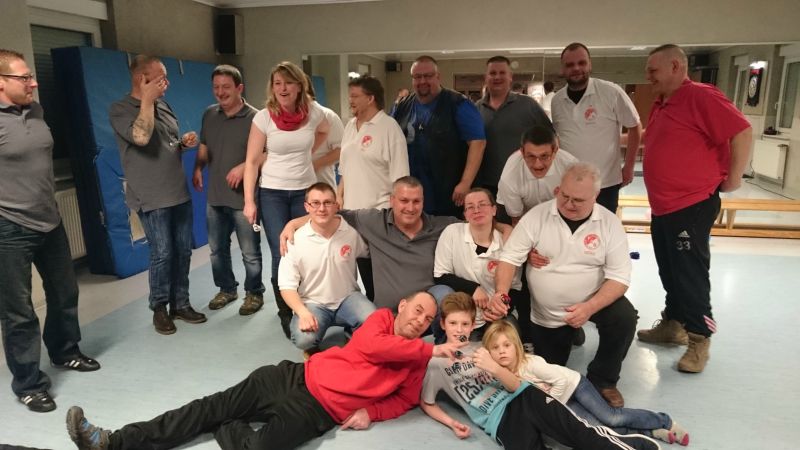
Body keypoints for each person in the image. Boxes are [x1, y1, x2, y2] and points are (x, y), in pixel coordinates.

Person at [66, 292, 464, 450]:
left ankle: (226, 421)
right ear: (402, 306)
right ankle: (111, 442)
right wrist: (430, 347)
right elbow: (372, 347)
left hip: (317, 410)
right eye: (417, 310)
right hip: (290, 377)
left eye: (426, 319)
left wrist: (369, 412)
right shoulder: (380, 321)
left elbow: (404, 400)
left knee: (256, 448)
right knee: (205, 407)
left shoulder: (417, 358)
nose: (419, 320)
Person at [637, 44, 752, 373]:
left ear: (675, 66)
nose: (648, 76)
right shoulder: (663, 102)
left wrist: (734, 178)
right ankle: (674, 323)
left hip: (692, 204)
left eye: (653, 70)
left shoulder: (701, 96)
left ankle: (700, 338)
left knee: (690, 274)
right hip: (663, 206)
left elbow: (742, 131)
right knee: (669, 269)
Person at [421, 293, 661, 450]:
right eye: (453, 323)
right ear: (442, 324)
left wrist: (492, 366)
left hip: (523, 397)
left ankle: (627, 444)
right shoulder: (435, 364)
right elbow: (427, 402)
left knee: (581, 434)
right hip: (499, 421)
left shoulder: (483, 349)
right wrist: (451, 423)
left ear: (473, 325)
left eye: (465, 324)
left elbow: (514, 384)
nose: (459, 330)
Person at [0, 48, 100, 413]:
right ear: (1, 82)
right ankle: (28, 384)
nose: (33, 83)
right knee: (18, 310)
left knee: (64, 291)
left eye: (31, 76)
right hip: (9, 226)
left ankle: (64, 350)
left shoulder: (36, 111)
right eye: (24, 77)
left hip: (50, 219)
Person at [493, 162, 637, 408]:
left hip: (591, 300)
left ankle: (604, 380)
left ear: (595, 196)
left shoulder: (610, 223)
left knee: (624, 317)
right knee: (549, 375)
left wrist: (589, 308)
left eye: (578, 200)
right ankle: (570, 333)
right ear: (558, 189)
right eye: (564, 196)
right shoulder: (536, 216)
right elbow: (509, 258)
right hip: (547, 314)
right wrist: (501, 293)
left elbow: (620, 277)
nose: (569, 204)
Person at [110, 54, 206, 335]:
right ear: (143, 79)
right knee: (162, 253)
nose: (167, 83)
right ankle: (159, 309)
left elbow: (164, 143)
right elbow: (140, 137)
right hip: (151, 196)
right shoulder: (120, 109)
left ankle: (181, 303)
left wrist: (182, 144)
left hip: (177, 190)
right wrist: (147, 101)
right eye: (161, 78)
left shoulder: (164, 105)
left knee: (183, 250)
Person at [242, 61, 330, 339]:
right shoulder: (264, 118)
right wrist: (249, 201)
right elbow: (251, 161)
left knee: (305, 248)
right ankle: (285, 311)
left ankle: (307, 304)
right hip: (273, 193)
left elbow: (325, 131)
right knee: (282, 250)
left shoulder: (314, 113)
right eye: (277, 83)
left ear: (299, 86)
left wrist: (307, 154)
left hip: (304, 192)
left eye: (288, 83)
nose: (282, 88)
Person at [281, 176, 459, 312]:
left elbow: (470, 226)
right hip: (389, 312)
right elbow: (331, 213)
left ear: (423, 201)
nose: (410, 208)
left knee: (445, 293)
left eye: (416, 201)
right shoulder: (373, 221)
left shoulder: (441, 226)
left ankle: (444, 345)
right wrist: (293, 223)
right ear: (392, 200)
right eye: (404, 201)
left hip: (427, 308)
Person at [499, 319, 689, 445]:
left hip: (575, 386)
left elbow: (560, 382)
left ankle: (664, 420)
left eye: (507, 345)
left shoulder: (530, 364)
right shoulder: (502, 376)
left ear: (517, 346)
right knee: (599, 428)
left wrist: (549, 408)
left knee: (612, 417)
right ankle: (651, 433)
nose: (502, 351)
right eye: (495, 348)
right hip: (562, 401)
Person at [192, 64, 265, 315]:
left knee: (250, 251)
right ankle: (226, 289)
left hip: (245, 199)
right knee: (216, 251)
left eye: (226, 87)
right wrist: (198, 168)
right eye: (216, 87)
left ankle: (254, 293)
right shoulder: (209, 114)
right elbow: (204, 146)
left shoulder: (257, 118)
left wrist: (244, 167)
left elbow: (267, 153)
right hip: (215, 197)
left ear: (239, 88)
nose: (220, 92)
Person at [278, 182, 375, 356]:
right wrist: (302, 312)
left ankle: (351, 333)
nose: (322, 209)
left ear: (336, 205)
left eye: (327, 203)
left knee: (374, 321)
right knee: (303, 339)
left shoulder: (351, 232)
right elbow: (286, 286)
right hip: (313, 302)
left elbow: (370, 254)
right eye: (315, 203)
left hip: (348, 298)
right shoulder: (294, 240)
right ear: (307, 207)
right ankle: (312, 346)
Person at [338, 75, 409, 300]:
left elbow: (401, 179)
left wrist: (396, 217)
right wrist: (339, 196)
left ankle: (388, 311)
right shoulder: (350, 126)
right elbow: (345, 169)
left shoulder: (389, 128)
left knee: (382, 275)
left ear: (370, 98)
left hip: (379, 213)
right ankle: (372, 310)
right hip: (352, 213)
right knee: (363, 268)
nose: (350, 100)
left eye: (355, 96)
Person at [551, 42, 642, 214]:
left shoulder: (611, 92)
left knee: (602, 229)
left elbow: (634, 126)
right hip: (569, 184)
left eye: (581, 63)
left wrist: (629, 166)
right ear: (563, 69)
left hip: (605, 184)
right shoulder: (557, 101)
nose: (576, 68)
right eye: (570, 65)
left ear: (590, 64)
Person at [393, 55, 486, 217]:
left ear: (438, 76)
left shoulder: (458, 104)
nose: (422, 81)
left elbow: (478, 143)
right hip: (412, 191)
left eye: (428, 76)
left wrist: (465, 182)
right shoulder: (402, 105)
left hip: (447, 191)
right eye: (417, 77)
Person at [433, 188, 524, 341]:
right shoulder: (452, 233)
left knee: (508, 343)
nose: (476, 210)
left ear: (494, 210)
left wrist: (501, 308)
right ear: (465, 214)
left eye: (482, 205)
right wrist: (473, 289)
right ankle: (443, 345)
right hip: (463, 312)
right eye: (470, 207)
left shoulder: (507, 241)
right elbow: (440, 276)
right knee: (441, 293)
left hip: (495, 314)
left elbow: (515, 288)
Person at [475, 56, 552, 203]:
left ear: (510, 76)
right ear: (486, 77)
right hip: (488, 186)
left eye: (502, 73)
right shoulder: (476, 109)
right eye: (492, 73)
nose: (497, 77)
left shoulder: (528, 105)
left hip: (524, 184)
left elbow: (550, 137)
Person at [497, 125, 578, 226]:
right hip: (521, 212)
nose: (537, 165)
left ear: (555, 151)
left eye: (544, 156)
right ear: (522, 152)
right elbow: (516, 220)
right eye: (531, 156)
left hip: (558, 209)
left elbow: (577, 207)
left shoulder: (572, 168)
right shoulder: (509, 177)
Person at [306, 78, 345, 190]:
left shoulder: (328, 116)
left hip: (321, 184)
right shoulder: (283, 117)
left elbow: (341, 151)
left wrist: (315, 165)